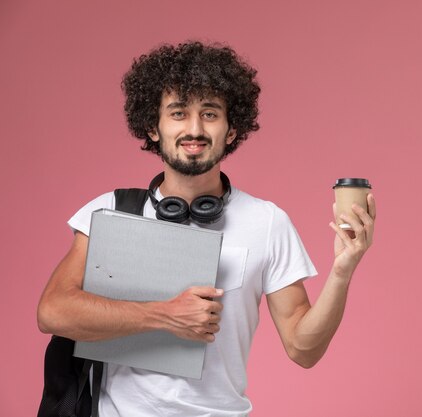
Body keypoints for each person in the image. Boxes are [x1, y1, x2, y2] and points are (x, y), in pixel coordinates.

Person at [37, 41, 375, 417]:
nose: (194, 129)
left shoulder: (267, 222)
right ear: (153, 127)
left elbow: (303, 349)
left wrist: (342, 272)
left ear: (232, 130)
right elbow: (53, 311)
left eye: (210, 114)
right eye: (178, 113)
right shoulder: (109, 211)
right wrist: (164, 314)